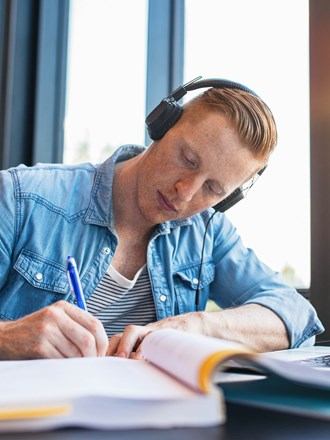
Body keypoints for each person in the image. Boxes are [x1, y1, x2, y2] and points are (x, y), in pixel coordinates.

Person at [0, 80, 324, 360]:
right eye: (188, 159)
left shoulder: (206, 233)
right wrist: (9, 336)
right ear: (162, 124)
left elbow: (295, 314)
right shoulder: (19, 197)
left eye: (212, 188)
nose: (185, 192)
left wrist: (194, 326)